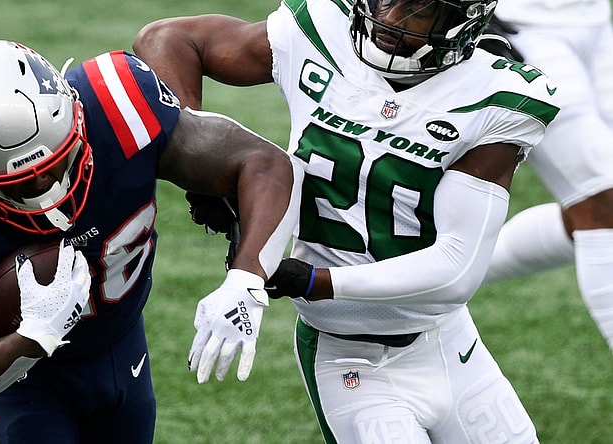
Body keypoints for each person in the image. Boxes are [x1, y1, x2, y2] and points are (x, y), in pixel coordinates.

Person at [134, 0, 560, 442]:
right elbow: (168, 39)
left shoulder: (493, 95)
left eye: (417, 8)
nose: (389, 19)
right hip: (345, 356)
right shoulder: (323, 30)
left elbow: (456, 268)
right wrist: (202, 173)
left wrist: (313, 280)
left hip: (448, 343)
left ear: (461, 20)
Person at [0, 40, 301, 443]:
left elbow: (264, 163)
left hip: (120, 344)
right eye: (21, 184)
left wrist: (246, 278)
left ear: (76, 117)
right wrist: (29, 339)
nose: (48, 187)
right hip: (19, 382)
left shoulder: (117, 105)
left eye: (58, 161)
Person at [478, 0, 613, 352]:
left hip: (595, 22)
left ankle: (431, 279)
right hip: (520, 25)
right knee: (601, 197)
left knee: (591, 209)